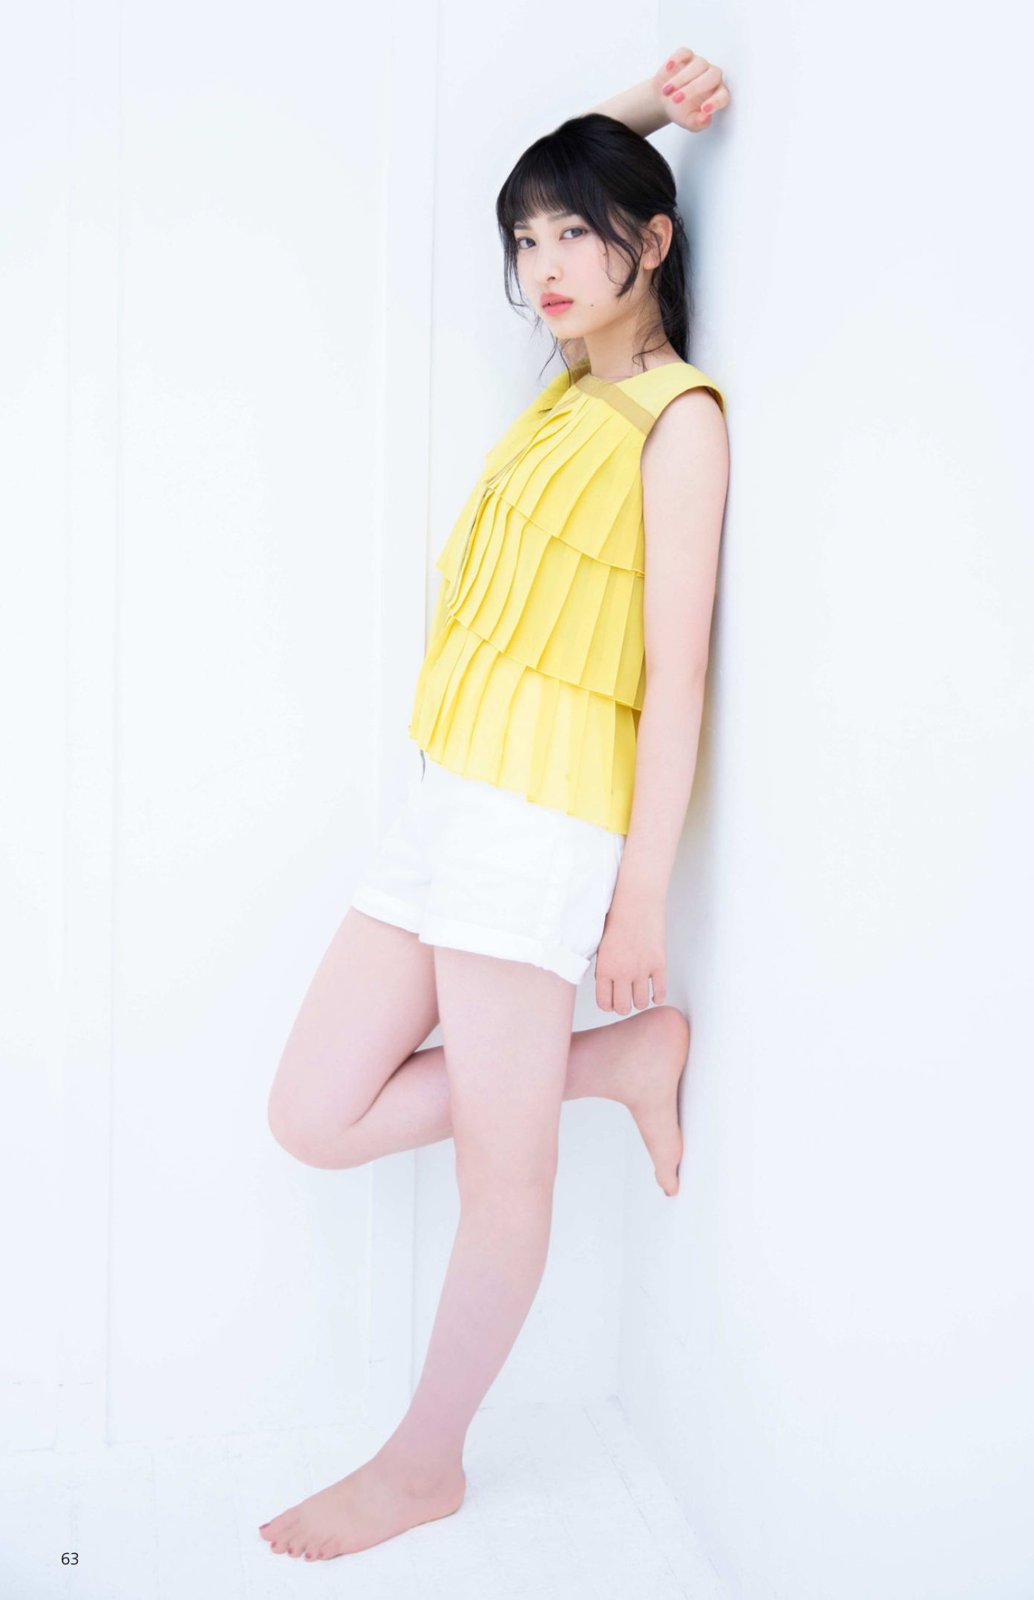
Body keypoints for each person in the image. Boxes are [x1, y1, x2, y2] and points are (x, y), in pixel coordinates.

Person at [259, 44, 731, 1564]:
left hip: (541, 826)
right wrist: (640, 112)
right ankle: (618, 1064)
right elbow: (571, 169)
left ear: (650, 240)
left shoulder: (676, 420)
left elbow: (676, 678)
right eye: (524, 240)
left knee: (498, 1175)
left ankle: (424, 1464)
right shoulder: (565, 394)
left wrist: (638, 902)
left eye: (574, 233)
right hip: (448, 796)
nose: (542, 267)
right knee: (311, 1111)